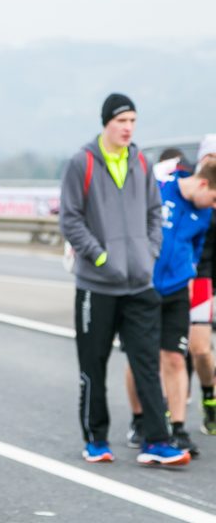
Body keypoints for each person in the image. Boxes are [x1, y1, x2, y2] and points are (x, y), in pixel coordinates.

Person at [60, 92, 190, 466]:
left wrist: (149, 251)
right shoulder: (81, 163)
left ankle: (157, 440)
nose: (128, 128)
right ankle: (96, 439)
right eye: (121, 121)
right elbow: (70, 220)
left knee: (146, 361)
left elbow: (153, 212)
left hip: (139, 285)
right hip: (96, 286)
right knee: (93, 364)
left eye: (132, 121)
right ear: (107, 123)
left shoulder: (141, 163)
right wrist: (101, 256)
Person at [124, 153, 216, 457]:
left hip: (177, 290)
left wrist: (189, 279)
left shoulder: (204, 215)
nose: (214, 205)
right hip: (143, 286)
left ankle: (177, 427)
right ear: (203, 183)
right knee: (139, 358)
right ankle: (139, 420)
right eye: (213, 197)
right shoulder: (160, 188)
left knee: (175, 358)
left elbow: (196, 249)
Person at [188, 135, 216, 436]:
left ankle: (209, 396)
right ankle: (207, 395)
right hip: (198, 280)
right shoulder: (194, 192)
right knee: (199, 349)